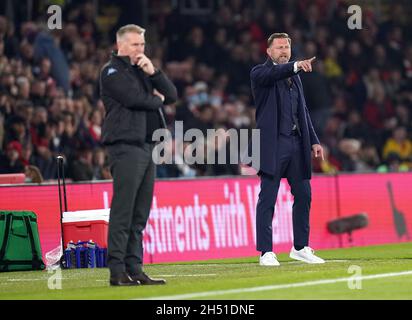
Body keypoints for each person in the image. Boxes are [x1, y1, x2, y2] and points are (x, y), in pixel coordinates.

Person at [100, 24, 177, 286]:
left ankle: (135, 269)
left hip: (146, 146)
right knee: (124, 211)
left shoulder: (142, 70)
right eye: (135, 45)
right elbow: (134, 99)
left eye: (142, 45)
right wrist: (157, 99)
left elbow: (172, 95)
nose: (139, 49)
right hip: (125, 146)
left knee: (140, 214)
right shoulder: (111, 71)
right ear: (120, 44)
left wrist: (154, 72)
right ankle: (117, 271)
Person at [249, 33, 325, 266]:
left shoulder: (296, 77)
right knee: (268, 197)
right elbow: (275, 73)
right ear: (268, 51)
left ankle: (300, 247)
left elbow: (302, 111)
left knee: (304, 195)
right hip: (273, 144)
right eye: (279, 47)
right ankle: (266, 252)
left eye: (287, 47)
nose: (283, 51)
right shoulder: (259, 73)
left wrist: (313, 140)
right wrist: (294, 66)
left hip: (296, 142)